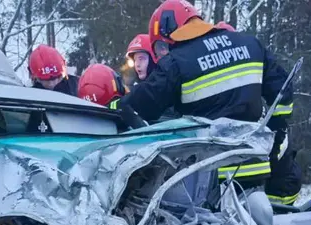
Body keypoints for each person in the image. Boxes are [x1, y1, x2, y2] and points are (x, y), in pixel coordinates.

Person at [118, 0, 294, 191]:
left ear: (168, 31)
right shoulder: (251, 44)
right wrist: (275, 134)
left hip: (207, 176)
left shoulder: (175, 63)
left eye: (161, 47)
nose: (163, 52)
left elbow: (138, 105)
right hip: (255, 166)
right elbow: (283, 91)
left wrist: (115, 106)